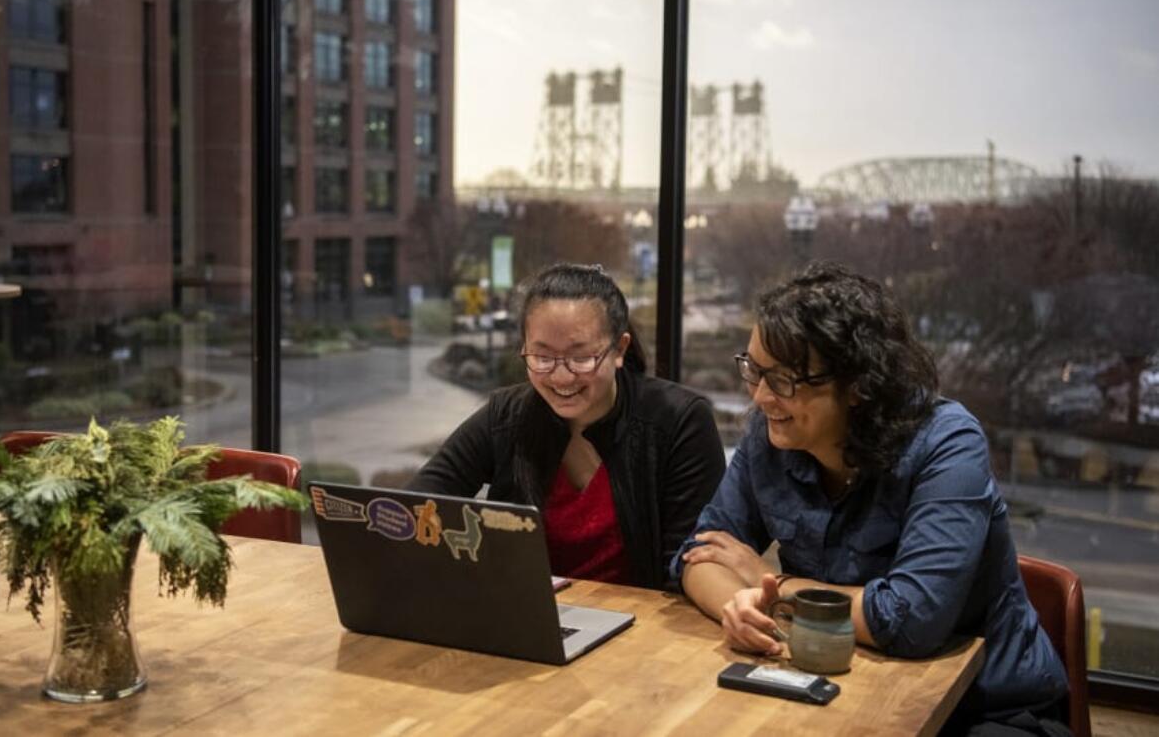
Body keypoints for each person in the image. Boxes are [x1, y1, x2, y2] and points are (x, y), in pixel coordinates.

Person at [674, 261, 1070, 735]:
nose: (760, 398)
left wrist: (773, 586)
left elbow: (912, 619)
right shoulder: (774, 433)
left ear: (859, 385)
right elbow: (698, 554)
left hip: (985, 708)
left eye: (783, 381)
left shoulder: (947, 442)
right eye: (754, 372)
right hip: (838, 692)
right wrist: (738, 606)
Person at [411, 262, 726, 590]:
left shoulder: (679, 422)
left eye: (581, 358)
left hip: (644, 626)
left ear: (620, 349)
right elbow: (421, 501)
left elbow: (690, 563)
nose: (561, 377)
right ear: (524, 349)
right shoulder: (506, 416)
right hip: (531, 618)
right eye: (542, 357)